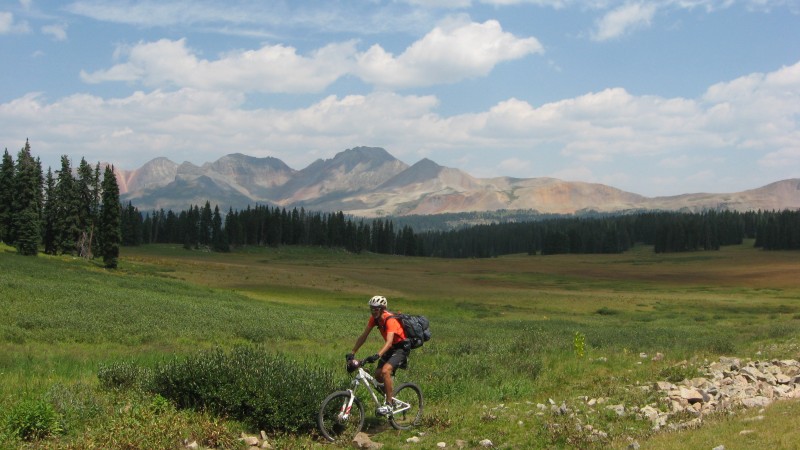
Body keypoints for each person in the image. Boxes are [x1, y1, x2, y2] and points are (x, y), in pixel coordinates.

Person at [347, 295, 409, 415]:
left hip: (401, 348)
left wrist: (377, 355)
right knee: (377, 375)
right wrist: (353, 352)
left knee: (386, 371)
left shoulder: (390, 320)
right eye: (371, 308)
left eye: (376, 309)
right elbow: (364, 336)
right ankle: (388, 395)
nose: (373, 311)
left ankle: (389, 404)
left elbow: (389, 341)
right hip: (391, 348)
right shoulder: (374, 319)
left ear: (382, 309)